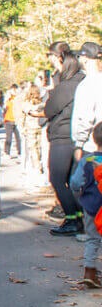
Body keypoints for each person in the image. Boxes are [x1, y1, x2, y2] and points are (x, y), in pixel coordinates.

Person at [44, 46, 85, 236]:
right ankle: (77, 217)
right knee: (71, 180)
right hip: (73, 135)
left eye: (51, 57)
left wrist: (53, 89)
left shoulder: (67, 85)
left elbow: (49, 109)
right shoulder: (81, 81)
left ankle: (72, 218)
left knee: (58, 179)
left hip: (62, 136)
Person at [71, 123, 102, 287]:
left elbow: (75, 182)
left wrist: (81, 191)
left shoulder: (87, 160)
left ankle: (89, 270)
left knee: (92, 239)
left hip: (90, 205)